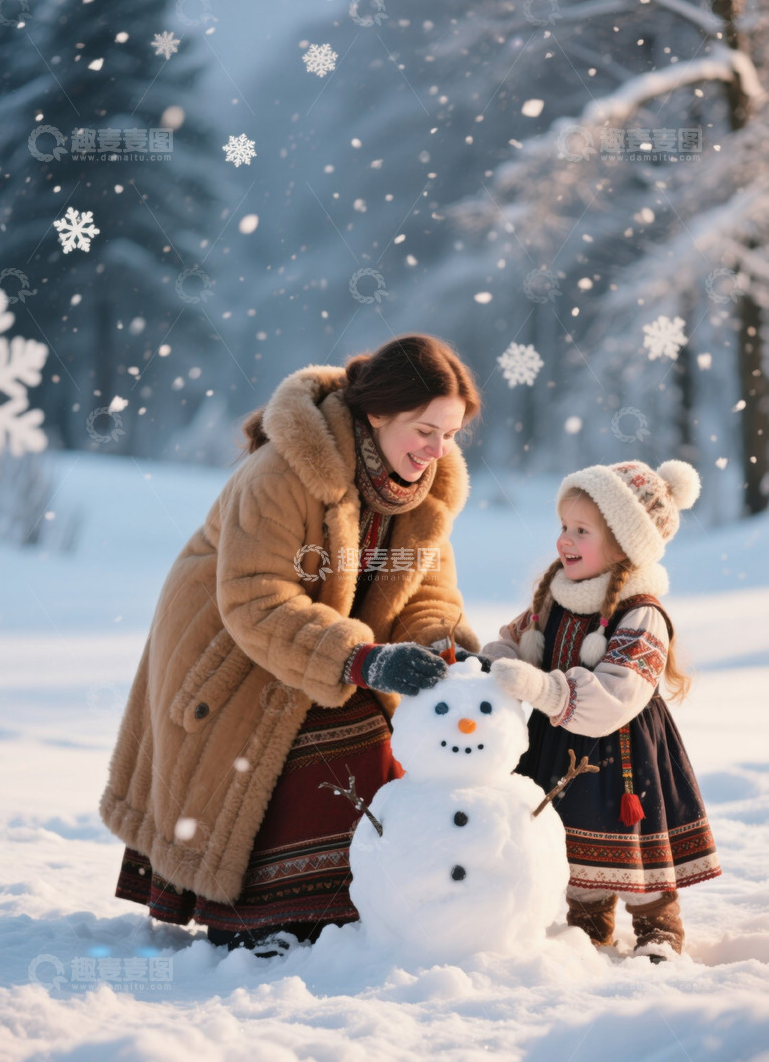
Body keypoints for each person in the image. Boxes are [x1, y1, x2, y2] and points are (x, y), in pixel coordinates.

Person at [100, 334, 482, 956]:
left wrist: (442, 647)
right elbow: (256, 597)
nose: (437, 450)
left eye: (450, 434)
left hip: (328, 650)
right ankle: (270, 917)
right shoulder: (284, 469)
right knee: (342, 744)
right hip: (231, 647)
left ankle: (371, 908)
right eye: (424, 430)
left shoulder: (427, 495)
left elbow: (426, 595)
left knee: (395, 744)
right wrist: (360, 659)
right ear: (378, 414)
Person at [484, 460, 721, 962]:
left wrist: (542, 690)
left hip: (624, 752)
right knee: (571, 831)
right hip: (560, 742)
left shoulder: (642, 614)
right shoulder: (556, 600)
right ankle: (587, 918)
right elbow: (512, 644)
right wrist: (487, 667)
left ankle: (657, 920)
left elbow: (618, 694)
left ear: (624, 544)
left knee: (629, 835)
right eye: (563, 527)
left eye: (581, 530)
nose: (564, 540)